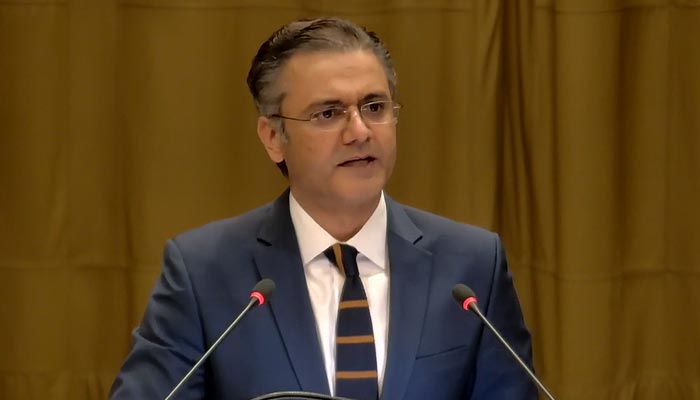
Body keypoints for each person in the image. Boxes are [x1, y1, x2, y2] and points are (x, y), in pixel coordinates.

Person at [110, 17, 537, 400]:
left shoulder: (472, 268)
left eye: (374, 107)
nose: (359, 131)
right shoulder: (204, 272)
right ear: (273, 137)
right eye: (328, 113)